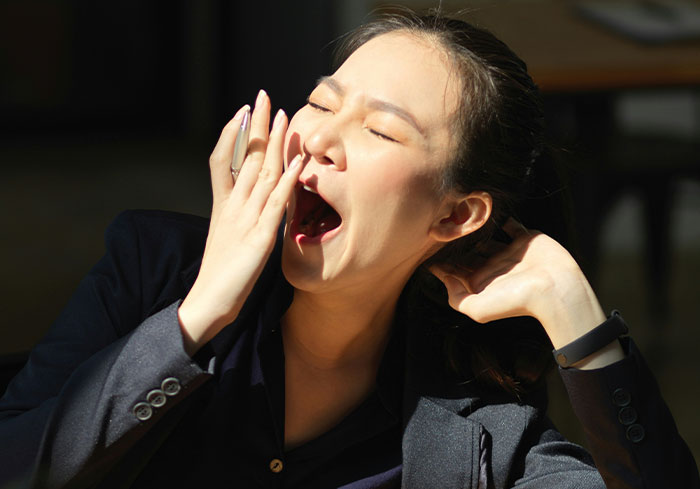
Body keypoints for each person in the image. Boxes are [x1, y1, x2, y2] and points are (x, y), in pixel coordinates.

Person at [1, 11, 698, 489]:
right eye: (321, 101)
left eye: (382, 132)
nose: (321, 138)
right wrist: (195, 319)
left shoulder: (484, 430)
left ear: (455, 214)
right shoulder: (147, 268)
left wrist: (579, 318)